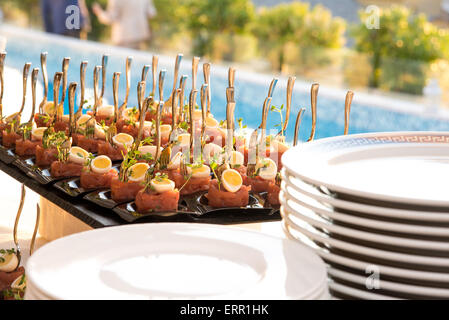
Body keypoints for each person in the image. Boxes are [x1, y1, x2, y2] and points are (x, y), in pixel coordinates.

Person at [92, 0, 157, 49]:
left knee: (122, 63)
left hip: (123, 37)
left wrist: (99, 12)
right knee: (135, 64)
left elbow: (111, 18)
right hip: (139, 36)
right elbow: (152, 13)